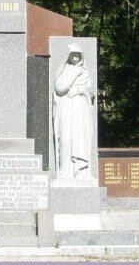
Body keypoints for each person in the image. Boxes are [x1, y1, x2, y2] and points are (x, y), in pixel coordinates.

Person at [53, 43, 94, 179]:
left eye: (78, 55)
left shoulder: (85, 72)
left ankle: (80, 170)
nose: (75, 58)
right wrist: (73, 74)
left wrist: (78, 90)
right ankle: (64, 171)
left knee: (79, 137)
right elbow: (59, 88)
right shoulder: (64, 70)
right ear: (68, 56)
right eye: (73, 55)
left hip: (80, 107)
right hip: (66, 106)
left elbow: (89, 90)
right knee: (65, 138)